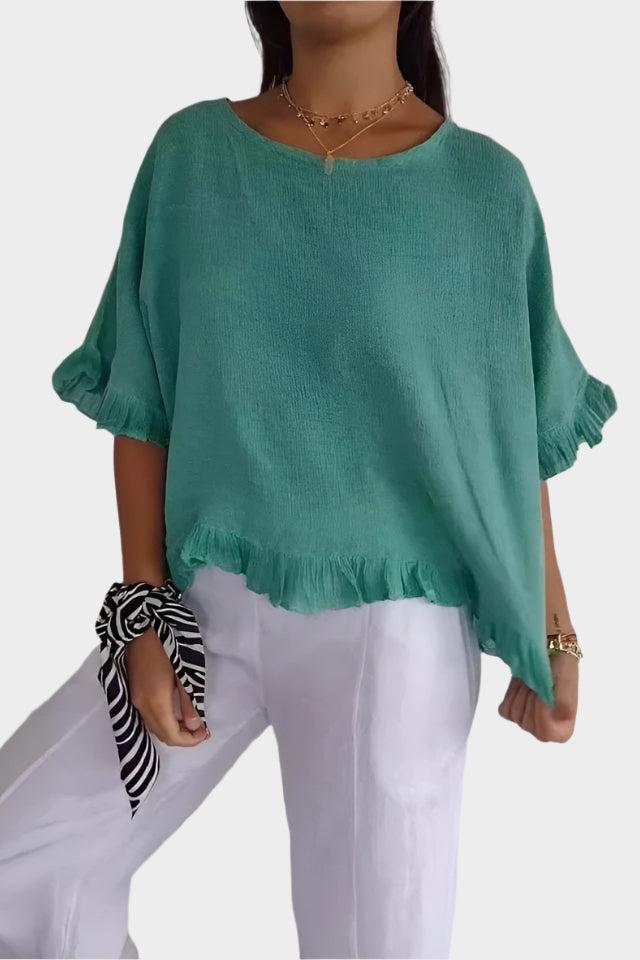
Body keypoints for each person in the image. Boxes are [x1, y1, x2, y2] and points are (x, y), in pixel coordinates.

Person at [0, 2, 617, 958]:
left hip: (395, 629)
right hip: (204, 610)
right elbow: (142, 401)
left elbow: (507, 436)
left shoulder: (484, 189)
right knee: (21, 856)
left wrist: (554, 629)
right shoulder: (192, 158)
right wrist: (145, 607)